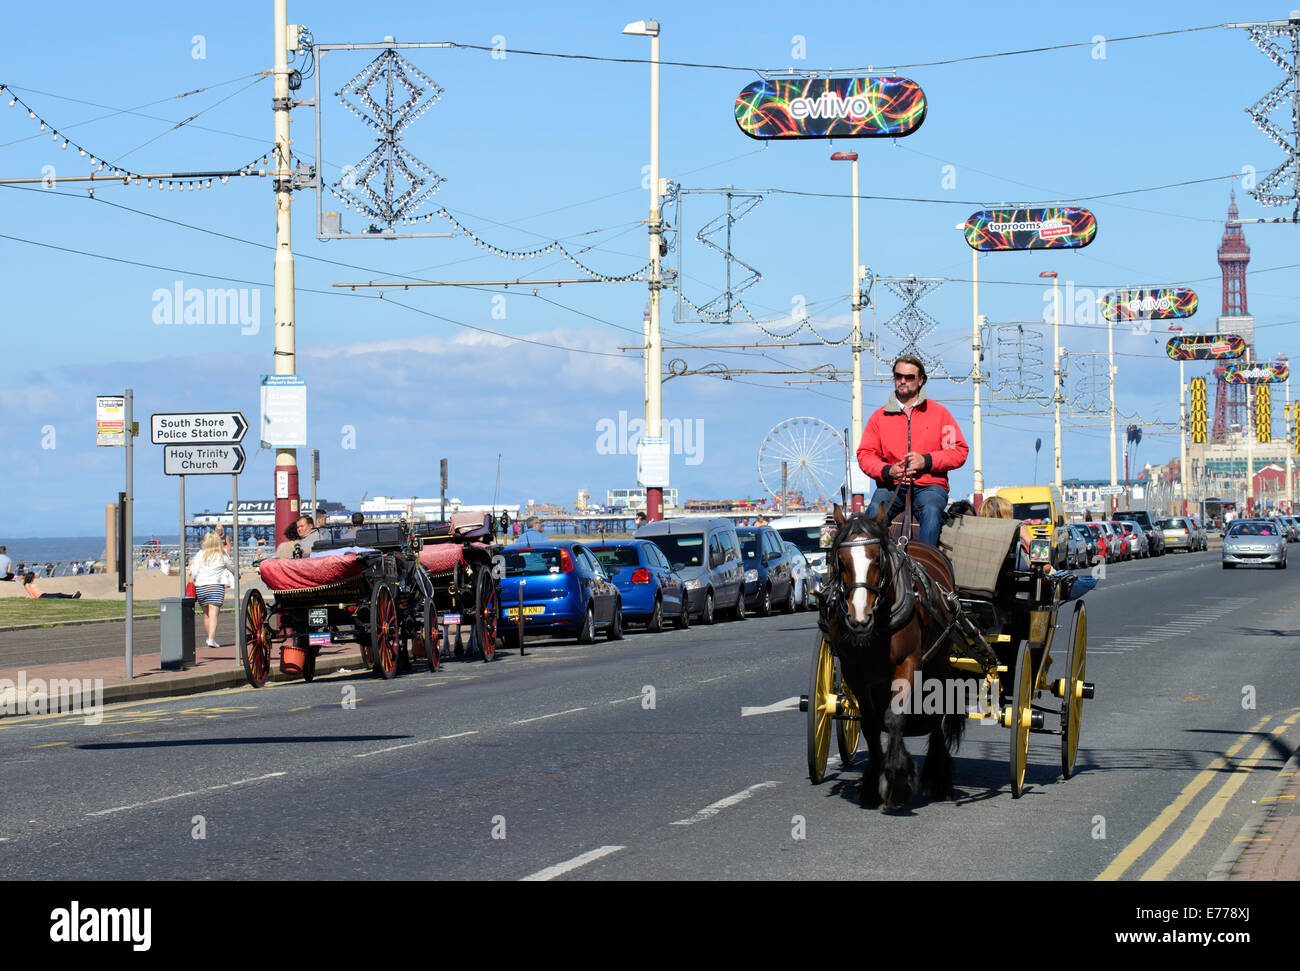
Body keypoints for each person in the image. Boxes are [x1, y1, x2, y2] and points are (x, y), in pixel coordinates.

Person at [857, 354, 969, 548]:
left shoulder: (940, 414)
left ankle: (926, 569)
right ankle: (876, 572)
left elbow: (959, 451)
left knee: (932, 512)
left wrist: (926, 461)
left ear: (921, 380)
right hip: (891, 486)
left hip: (930, 485)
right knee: (874, 513)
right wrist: (888, 470)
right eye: (898, 376)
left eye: (909, 377)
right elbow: (865, 454)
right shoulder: (879, 417)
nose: (902, 381)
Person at [188, 531, 234, 648]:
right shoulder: (221, 554)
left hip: (201, 587)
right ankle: (211, 638)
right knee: (214, 614)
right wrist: (237, 574)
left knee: (206, 614)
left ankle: (209, 637)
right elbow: (232, 567)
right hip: (215, 586)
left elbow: (193, 571)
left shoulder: (200, 554)